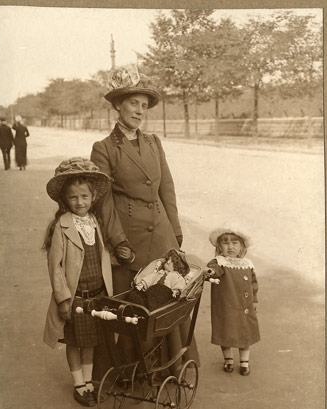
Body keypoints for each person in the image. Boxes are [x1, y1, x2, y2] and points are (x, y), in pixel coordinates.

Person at [90, 64, 199, 376]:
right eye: (132, 104)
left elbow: (167, 187)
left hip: (162, 235)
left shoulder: (154, 142)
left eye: (143, 106)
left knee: (169, 298)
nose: (139, 111)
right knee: (136, 305)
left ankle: (171, 367)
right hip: (130, 239)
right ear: (117, 106)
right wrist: (118, 242)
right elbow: (104, 200)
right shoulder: (104, 148)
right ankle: (132, 372)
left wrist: (175, 230)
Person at [43, 157, 114, 406]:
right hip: (76, 297)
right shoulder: (61, 227)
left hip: (96, 295)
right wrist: (63, 299)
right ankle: (78, 384)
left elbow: (103, 257)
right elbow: (56, 267)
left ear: (93, 197)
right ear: (65, 199)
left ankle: (88, 381)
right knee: (74, 342)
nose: (79, 202)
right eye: (73, 197)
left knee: (91, 341)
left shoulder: (95, 223)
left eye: (84, 196)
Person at [205, 225, 260, 376]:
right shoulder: (219, 262)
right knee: (226, 331)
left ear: (242, 246)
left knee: (245, 332)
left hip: (244, 306)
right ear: (219, 246)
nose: (230, 247)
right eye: (226, 243)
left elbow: (253, 284)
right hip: (226, 306)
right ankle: (228, 359)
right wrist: (210, 272)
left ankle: (244, 362)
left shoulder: (247, 264)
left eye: (235, 243)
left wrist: (254, 300)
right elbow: (213, 270)